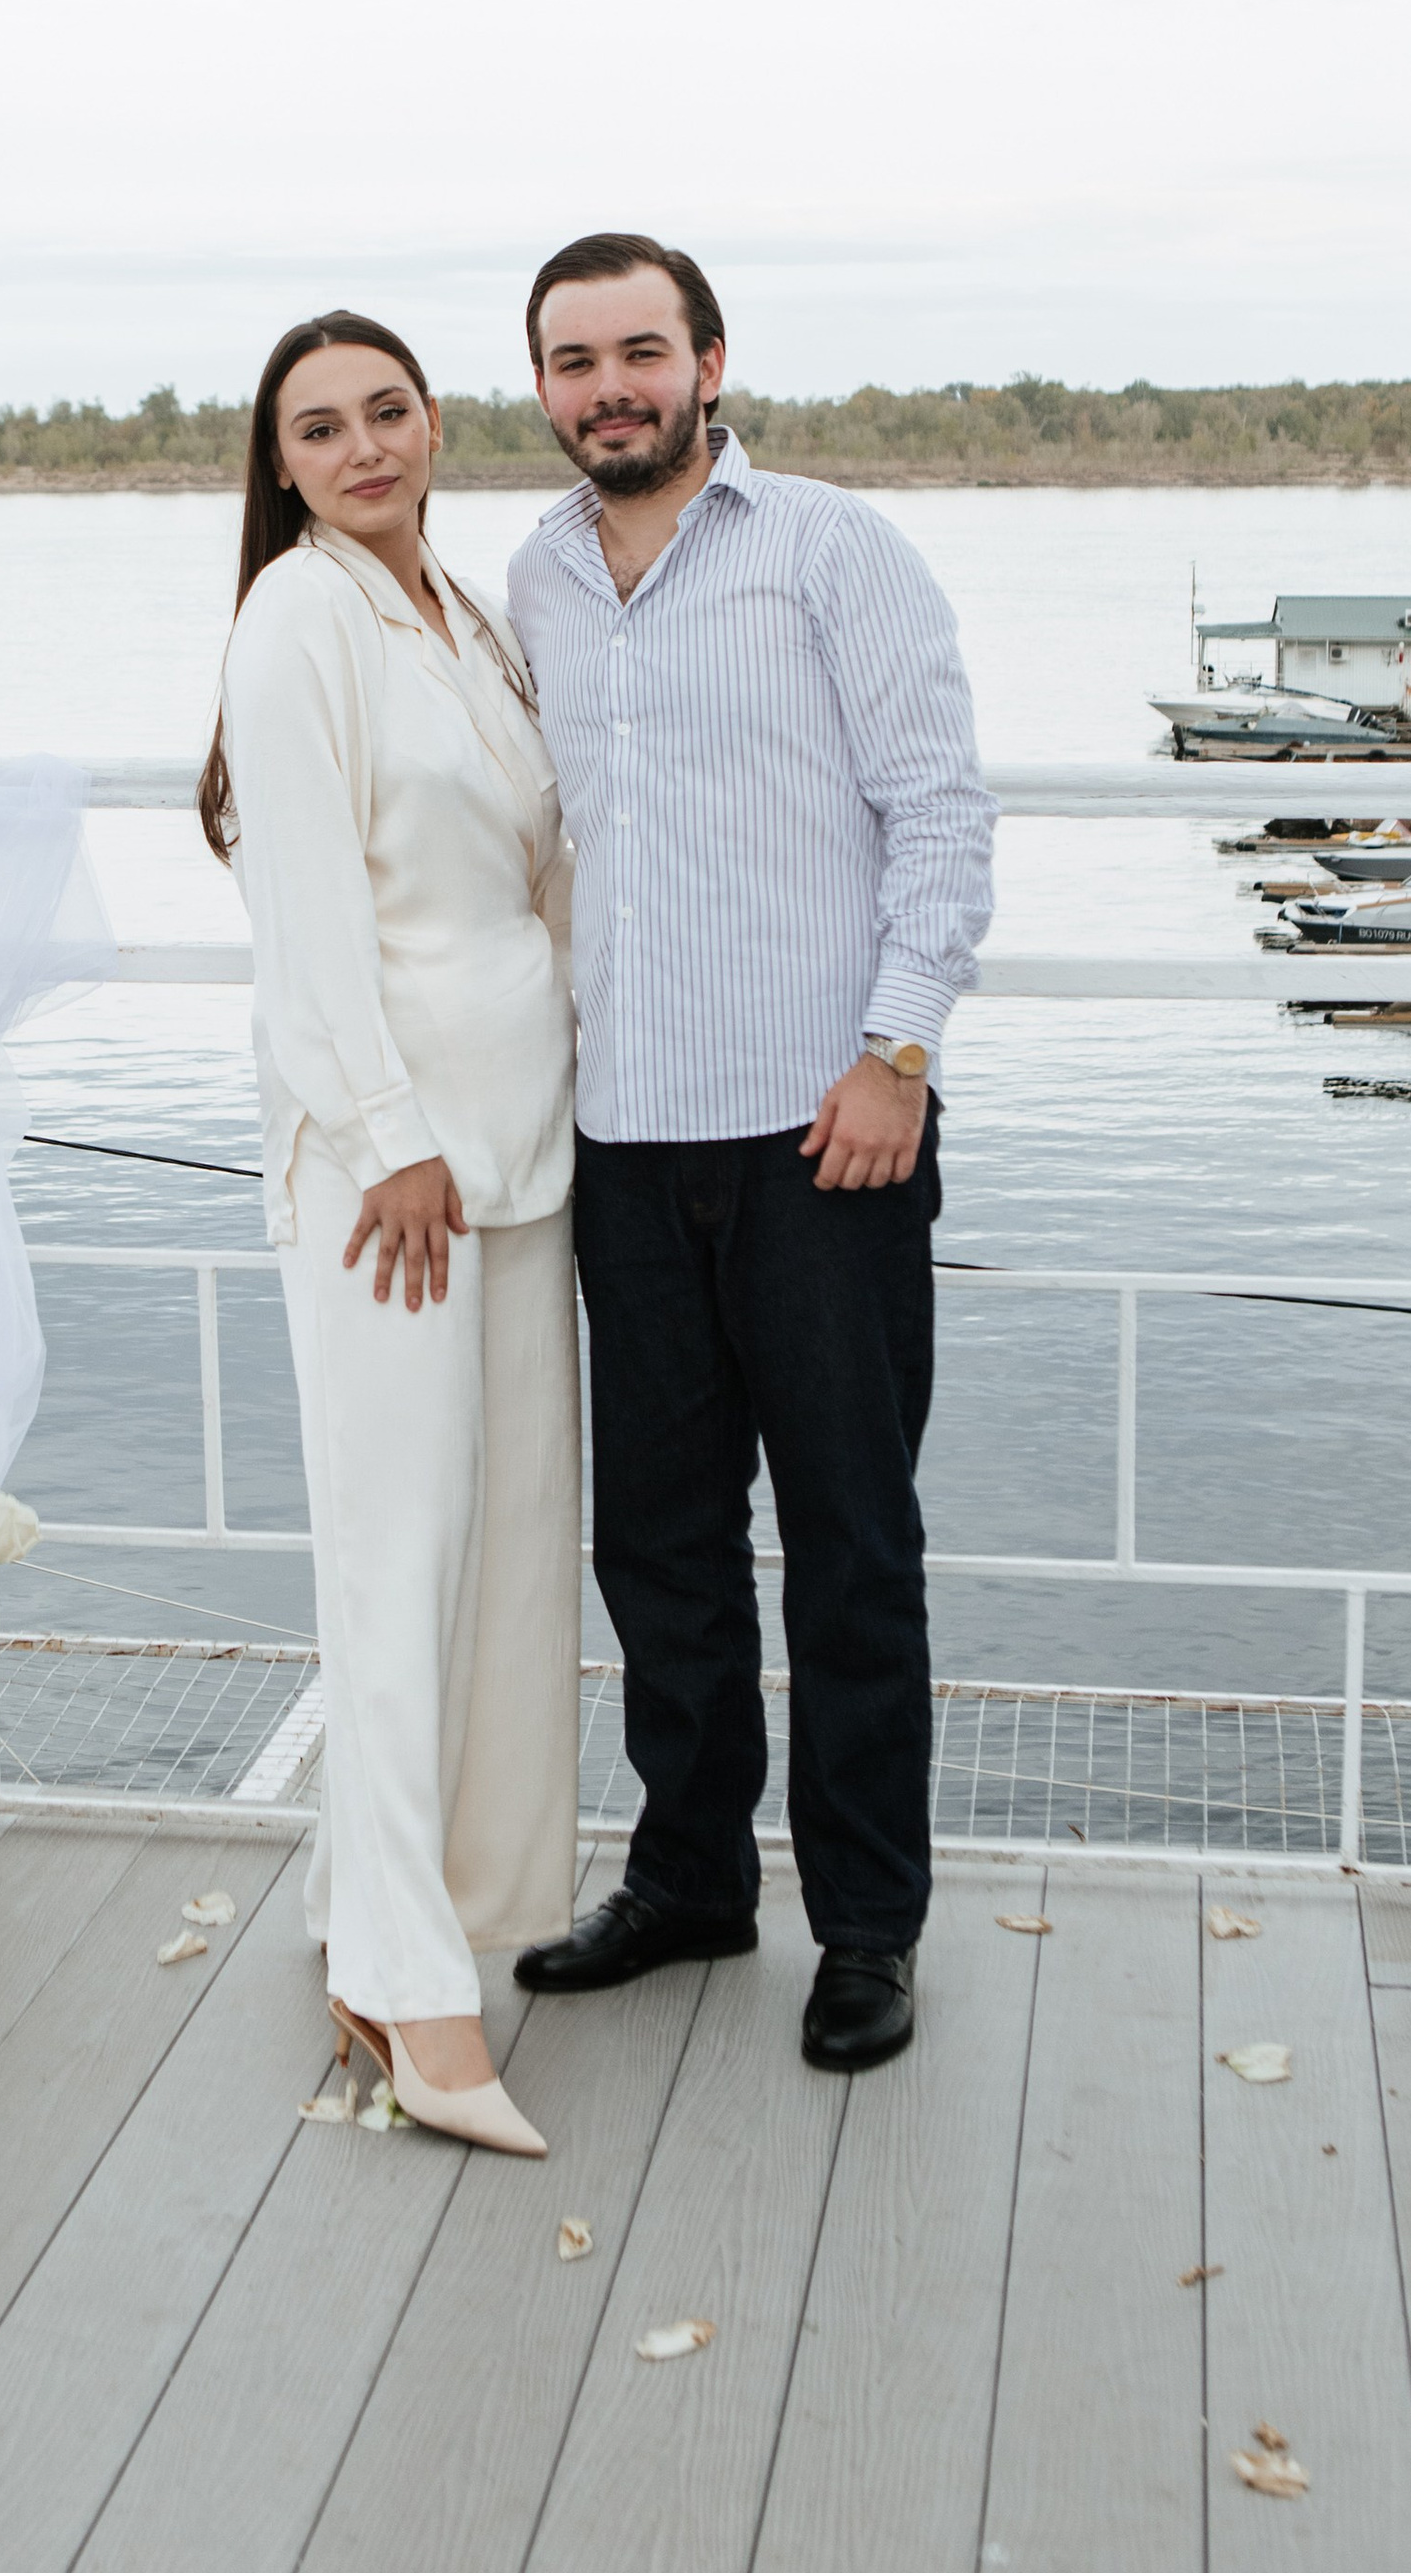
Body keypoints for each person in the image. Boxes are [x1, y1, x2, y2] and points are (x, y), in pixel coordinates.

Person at [504, 232, 994, 2072]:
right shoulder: (537, 575)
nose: (609, 389)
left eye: (641, 351)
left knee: (852, 1548)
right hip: (624, 1140)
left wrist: (899, 1052)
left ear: (709, 361)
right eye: (574, 362)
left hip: (822, 1140)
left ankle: (867, 1927)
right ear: (543, 388)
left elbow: (939, 812)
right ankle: (691, 1880)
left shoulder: (828, 547)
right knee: (663, 1548)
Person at [201, 310, 581, 2153]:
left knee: (505, 1557)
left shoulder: (471, 616)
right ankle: (417, 2005)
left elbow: (536, 882)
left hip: (528, 1151)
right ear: (281, 465)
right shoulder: (299, 620)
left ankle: (401, 1905)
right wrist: (384, 1139)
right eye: (320, 427)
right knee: (394, 1561)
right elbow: (305, 920)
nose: (362, 447)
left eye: (388, 411)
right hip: (393, 1178)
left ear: (436, 425)